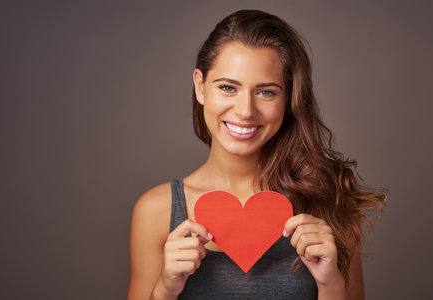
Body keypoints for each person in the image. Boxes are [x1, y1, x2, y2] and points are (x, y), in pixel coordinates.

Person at [127, 9, 385, 300]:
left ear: (288, 98)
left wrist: (331, 284)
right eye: (228, 88)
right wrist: (164, 290)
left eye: (266, 92)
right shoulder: (157, 210)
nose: (246, 110)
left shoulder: (330, 199)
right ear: (200, 86)